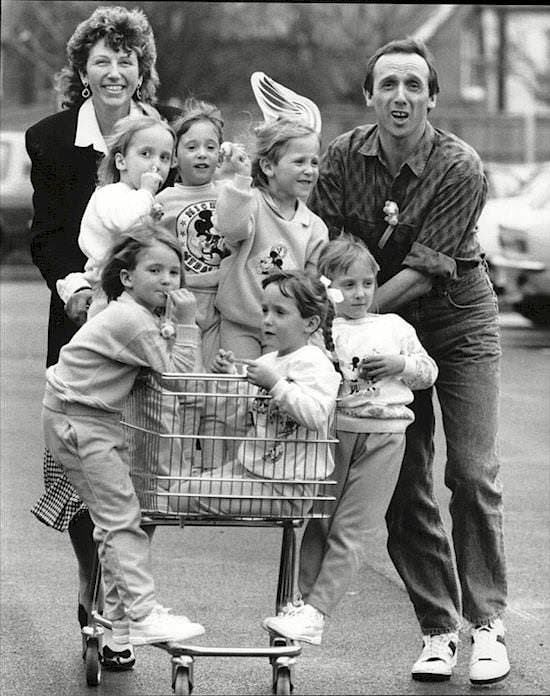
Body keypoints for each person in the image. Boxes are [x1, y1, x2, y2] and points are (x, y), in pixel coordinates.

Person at [307, 38, 509, 685]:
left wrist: (353, 327)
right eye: (387, 84)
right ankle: (438, 628)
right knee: (399, 476)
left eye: (413, 85)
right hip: (367, 323)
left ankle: (487, 625)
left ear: (431, 97)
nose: (400, 96)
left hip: (453, 317)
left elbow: (423, 273)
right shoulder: (342, 157)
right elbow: (326, 250)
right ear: (369, 95)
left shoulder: (461, 166)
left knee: (472, 473)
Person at [25, 5, 180, 670]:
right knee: (87, 467)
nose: (115, 70)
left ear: (142, 69)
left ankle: (124, 603)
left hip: (155, 319)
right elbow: (49, 236)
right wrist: (80, 293)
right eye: (103, 59)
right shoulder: (52, 140)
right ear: (83, 71)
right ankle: (94, 585)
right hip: (84, 319)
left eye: (127, 59)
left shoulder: (164, 141)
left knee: (139, 466)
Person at [262, 235, 438, 646]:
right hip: (336, 435)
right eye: (348, 284)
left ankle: (317, 612)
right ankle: (299, 605)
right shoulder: (324, 334)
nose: (359, 294)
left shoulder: (394, 326)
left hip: (385, 439)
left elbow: (428, 371)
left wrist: (400, 364)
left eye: (367, 284)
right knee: (320, 521)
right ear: (326, 287)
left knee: (351, 530)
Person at [41, 223, 206, 648]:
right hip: (81, 421)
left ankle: (121, 616)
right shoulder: (134, 319)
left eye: (174, 272)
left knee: (114, 520)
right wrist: (186, 324)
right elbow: (180, 379)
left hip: (89, 418)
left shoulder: (135, 313)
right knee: (121, 520)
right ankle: (142, 613)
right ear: (128, 277)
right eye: (155, 270)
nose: (168, 281)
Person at [169, 270, 341, 517]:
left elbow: (316, 416)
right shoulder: (267, 360)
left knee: (182, 496)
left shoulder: (315, 362)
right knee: (176, 488)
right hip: (252, 469)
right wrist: (227, 377)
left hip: (288, 487)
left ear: (310, 323)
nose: (268, 320)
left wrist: (275, 384)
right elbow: (241, 418)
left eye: (280, 312)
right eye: (265, 311)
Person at [214, 118, 328, 359]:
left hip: (285, 330)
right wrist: (242, 179)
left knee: (276, 389)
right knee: (241, 389)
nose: (310, 170)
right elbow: (230, 228)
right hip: (240, 323)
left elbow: (312, 287)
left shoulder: (315, 227)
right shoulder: (249, 202)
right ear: (268, 167)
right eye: (299, 162)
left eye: (314, 162)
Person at [57, 113, 176, 321]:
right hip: (107, 291)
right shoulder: (110, 194)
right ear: (121, 161)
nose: (156, 164)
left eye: (164, 157)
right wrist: (147, 192)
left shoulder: (143, 200)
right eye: (146, 154)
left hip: (135, 289)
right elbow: (124, 221)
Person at [155, 97, 229, 370]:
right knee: (184, 374)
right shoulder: (164, 200)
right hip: (181, 300)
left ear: (220, 155)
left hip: (221, 301)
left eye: (211, 147)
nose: (202, 153)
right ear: (175, 156)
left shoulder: (228, 193)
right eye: (192, 147)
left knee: (217, 375)